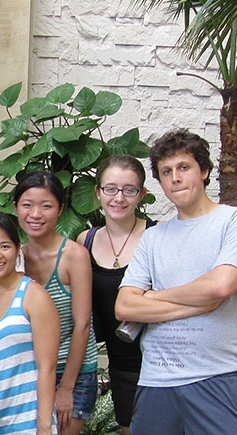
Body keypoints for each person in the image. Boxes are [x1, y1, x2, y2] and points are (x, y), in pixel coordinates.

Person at [115, 129, 237, 434]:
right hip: (156, 380)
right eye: (166, 172)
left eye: (184, 167)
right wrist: (197, 305)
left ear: (204, 171)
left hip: (216, 376)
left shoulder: (230, 221)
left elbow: (220, 286)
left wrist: (154, 297)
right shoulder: (153, 237)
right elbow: (125, 305)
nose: (175, 178)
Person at [14, 171, 98, 435]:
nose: (35, 214)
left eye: (46, 206)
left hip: (71, 372)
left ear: (60, 210)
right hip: (32, 372)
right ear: (16, 207)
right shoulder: (14, 256)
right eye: (27, 205)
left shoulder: (74, 255)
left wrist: (66, 388)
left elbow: (82, 325)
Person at [76, 155, 153, 434]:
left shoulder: (157, 235)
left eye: (129, 189)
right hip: (121, 364)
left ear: (141, 194)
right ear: (98, 192)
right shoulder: (85, 240)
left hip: (158, 360)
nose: (119, 197)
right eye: (110, 188)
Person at [0, 212, 59, 434]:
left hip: (27, 423)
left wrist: (44, 426)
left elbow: (48, 368)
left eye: (4, 246)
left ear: (18, 249)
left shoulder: (33, 296)